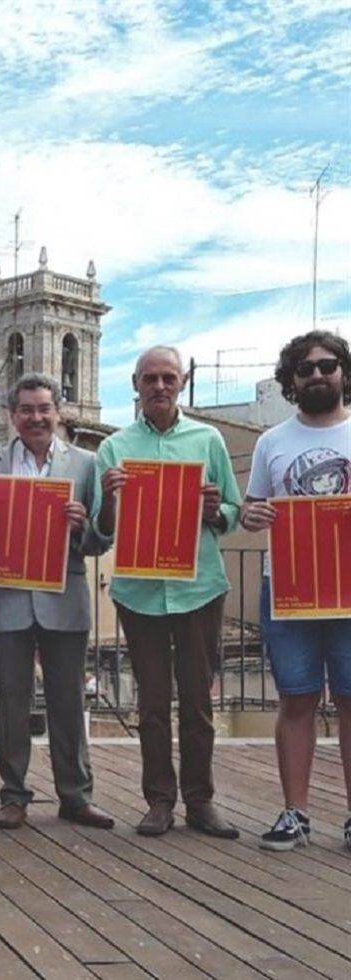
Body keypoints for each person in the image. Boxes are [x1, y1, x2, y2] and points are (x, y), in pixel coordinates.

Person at [92, 346, 242, 838]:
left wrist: (213, 511)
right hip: (139, 593)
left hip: (199, 587)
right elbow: (102, 530)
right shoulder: (113, 449)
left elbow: (233, 512)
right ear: (135, 384)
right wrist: (111, 499)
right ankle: (159, 801)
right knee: (152, 704)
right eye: (150, 378)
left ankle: (201, 803)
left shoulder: (209, 439)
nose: (160, 386)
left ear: (181, 382)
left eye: (169, 377)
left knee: (198, 702)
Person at [0, 373, 114, 831]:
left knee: (68, 700)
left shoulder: (86, 465)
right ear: (12, 416)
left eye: (43, 409)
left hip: (64, 597)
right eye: (26, 410)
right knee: (13, 701)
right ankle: (13, 795)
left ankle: (76, 795)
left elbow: (98, 542)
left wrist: (81, 525)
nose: (35, 418)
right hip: (9, 598)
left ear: (57, 412)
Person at [239, 331, 351, 851]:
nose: (317, 375)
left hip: (349, 593)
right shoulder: (271, 442)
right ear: (292, 381)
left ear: (343, 372)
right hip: (289, 590)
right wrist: (253, 513)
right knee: (296, 700)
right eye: (305, 369)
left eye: (327, 365)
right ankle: (295, 814)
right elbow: (251, 508)